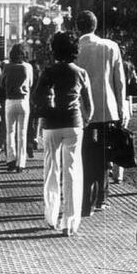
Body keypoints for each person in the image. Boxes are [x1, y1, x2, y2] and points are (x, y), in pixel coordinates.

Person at [33, 31, 94, 237]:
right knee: (72, 172)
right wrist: (84, 121)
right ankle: (70, 222)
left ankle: (51, 216)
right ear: (75, 50)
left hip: (51, 125)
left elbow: (35, 98)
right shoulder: (81, 73)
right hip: (73, 124)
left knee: (51, 170)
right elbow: (90, 106)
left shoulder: (47, 71)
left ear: (54, 49)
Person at [76, 10, 128, 216]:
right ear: (95, 26)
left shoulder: (75, 48)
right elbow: (120, 80)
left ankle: (85, 198)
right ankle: (102, 198)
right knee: (104, 154)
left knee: (85, 154)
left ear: (77, 27)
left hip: (82, 110)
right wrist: (122, 108)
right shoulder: (111, 46)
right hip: (107, 108)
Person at [1, 44, 33, 173]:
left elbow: (2, 84)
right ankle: (21, 163)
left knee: (10, 132)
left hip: (10, 101)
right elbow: (30, 83)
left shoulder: (7, 67)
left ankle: (11, 160)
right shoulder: (28, 67)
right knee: (22, 133)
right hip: (24, 101)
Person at [112, 49, 137, 184]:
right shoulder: (129, 66)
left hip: (112, 102)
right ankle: (119, 174)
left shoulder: (111, 65)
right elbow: (134, 88)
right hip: (125, 102)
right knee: (122, 138)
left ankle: (109, 166)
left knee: (110, 137)